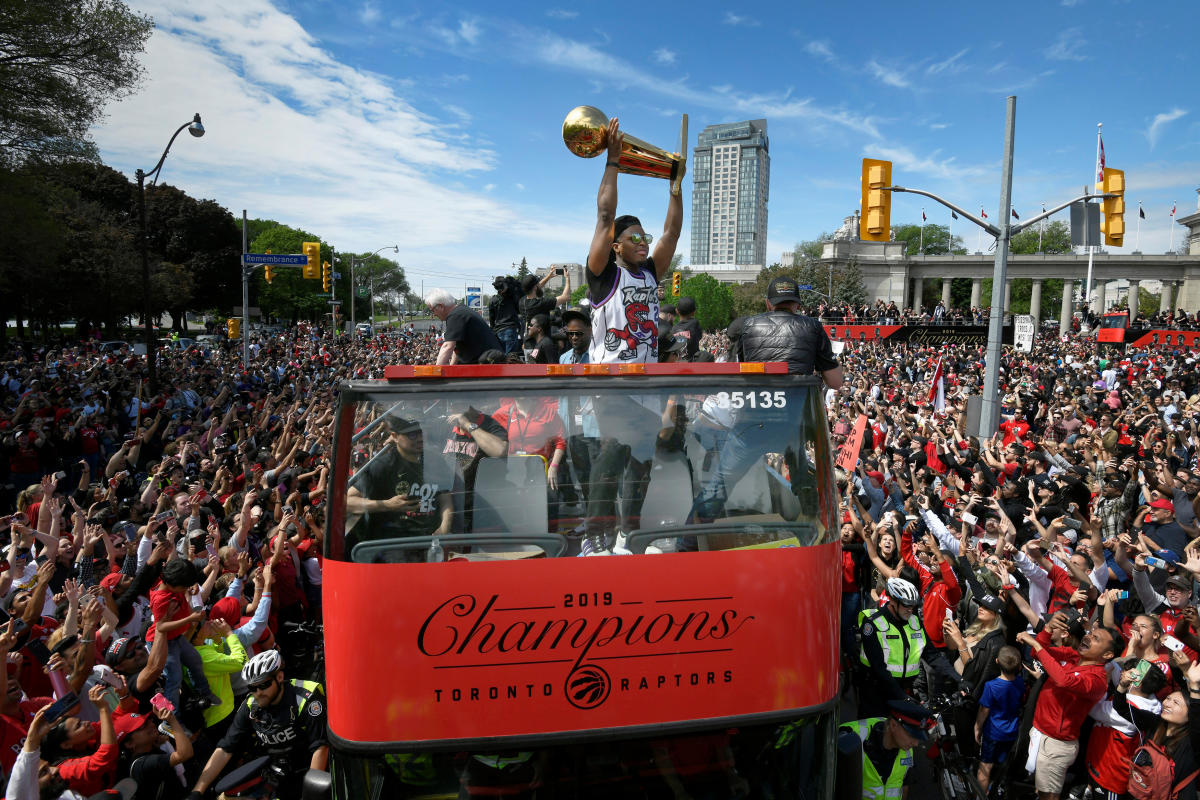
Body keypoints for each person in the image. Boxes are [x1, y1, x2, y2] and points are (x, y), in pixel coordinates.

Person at [585, 116, 682, 364]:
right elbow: (606, 216)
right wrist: (613, 160)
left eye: (645, 237)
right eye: (635, 237)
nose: (643, 243)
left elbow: (671, 234)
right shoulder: (603, 275)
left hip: (646, 388)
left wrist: (676, 187)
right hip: (610, 386)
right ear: (615, 246)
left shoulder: (649, 273)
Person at [187, 649, 327, 800]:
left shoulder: (306, 699)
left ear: (279, 677)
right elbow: (226, 748)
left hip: (308, 771)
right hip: (274, 773)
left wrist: (311, 794)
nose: (258, 692)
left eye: (264, 685)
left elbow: (320, 748)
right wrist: (197, 791)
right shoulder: (250, 705)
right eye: (252, 688)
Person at [1015, 622, 1120, 800]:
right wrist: (1047, 631)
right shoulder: (1074, 655)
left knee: (1049, 795)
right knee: (1040, 791)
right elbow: (1038, 655)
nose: (1088, 637)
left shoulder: (1096, 680)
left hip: (1056, 745)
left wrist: (1036, 644)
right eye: (1091, 633)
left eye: (1096, 638)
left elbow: (1063, 680)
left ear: (1108, 654)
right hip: (1040, 732)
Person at [344, 415, 453, 554]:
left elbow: (445, 497)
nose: (420, 438)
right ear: (394, 436)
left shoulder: (436, 461)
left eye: (421, 433)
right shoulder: (383, 466)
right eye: (412, 434)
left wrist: (444, 528)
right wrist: (387, 505)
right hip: (395, 547)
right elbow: (348, 502)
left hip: (432, 544)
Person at [729, 276, 843, 388]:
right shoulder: (813, 326)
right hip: (799, 402)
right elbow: (835, 382)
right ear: (798, 305)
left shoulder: (749, 325)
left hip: (757, 401)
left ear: (768, 303)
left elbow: (741, 369)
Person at [856, 577, 926, 719]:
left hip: (902, 688)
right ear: (893, 601)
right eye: (906, 605)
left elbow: (932, 654)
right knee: (876, 730)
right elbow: (878, 667)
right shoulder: (872, 623)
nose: (910, 609)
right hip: (876, 689)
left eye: (913, 606)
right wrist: (902, 696)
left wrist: (958, 679)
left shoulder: (914, 621)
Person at [838, 699, 931, 800]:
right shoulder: (852, 738)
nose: (916, 744)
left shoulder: (907, 750)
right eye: (912, 736)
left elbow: (904, 785)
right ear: (893, 725)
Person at [974, 645, 1024, 795]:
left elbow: (984, 710)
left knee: (985, 766)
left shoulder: (991, 686)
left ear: (996, 661)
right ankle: (996, 790)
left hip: (993, 733)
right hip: (1012, 732)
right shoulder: (1020, 682)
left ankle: (981, 796)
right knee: (1002, 764)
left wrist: (977, 727)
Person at [426, 289, 502, 365]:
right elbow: (458, 349)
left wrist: (436, 373)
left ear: (440, 306)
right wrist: (452, 367)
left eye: (432, 310)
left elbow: (447, 346)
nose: (434, 314)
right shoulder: (460, 311)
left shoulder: (456, 316)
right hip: (488, 361)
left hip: (486, 364)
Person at [487, 275, 522, 355]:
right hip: (511, 329)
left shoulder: (493, 300)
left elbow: (491, 319)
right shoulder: (511, 298)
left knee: (501, 357)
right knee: (510, 358)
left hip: (498, 330)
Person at [671, 297, 702, 362]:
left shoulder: (673, 329)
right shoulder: (695, 324)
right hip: (693, 363)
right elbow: (699, 337)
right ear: (694, 312)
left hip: (677, 364)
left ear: (677, 311)